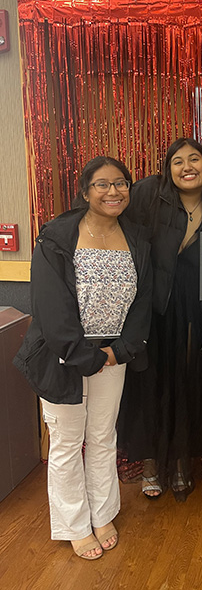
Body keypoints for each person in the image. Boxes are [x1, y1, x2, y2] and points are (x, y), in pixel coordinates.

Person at [14, 156, 153, 560]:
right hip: (63, 356)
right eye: (102, 184)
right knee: (66, 441)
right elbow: (50, 305)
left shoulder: (137, 237)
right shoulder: (57, 236)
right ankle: (74, 523)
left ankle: (103, 512)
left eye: (121, 183)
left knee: (102, 437)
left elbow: (143, 301)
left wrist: (118, 351)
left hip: (114, 355)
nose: (113, 192)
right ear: (85, 190)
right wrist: (82, 355)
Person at [118, 138, 202, 502]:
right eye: (177, 161)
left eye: (194, 158)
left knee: (187, 381)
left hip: (193, 307)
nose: (186, 166)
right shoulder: (148, 192)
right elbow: (110, 217)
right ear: (168, 168)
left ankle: (180, 460)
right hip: (151, 305)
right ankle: (151, 463)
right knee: (150, 383)